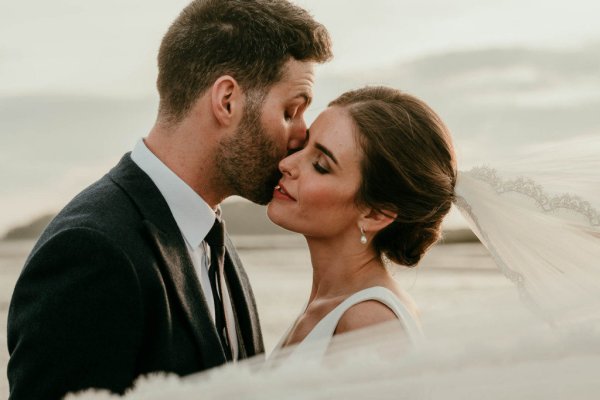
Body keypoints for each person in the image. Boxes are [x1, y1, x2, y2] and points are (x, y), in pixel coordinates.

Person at [7, 0, 332, 398]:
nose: (301, 134)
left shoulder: (212, 237)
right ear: (227, 100)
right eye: (291, 110)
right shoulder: (90, 251)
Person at [267, 86, 457, 358]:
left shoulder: (370, 321)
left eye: (320, 165)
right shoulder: (327, 305)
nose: (288, 163)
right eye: (302, 146)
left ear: (375, 214)